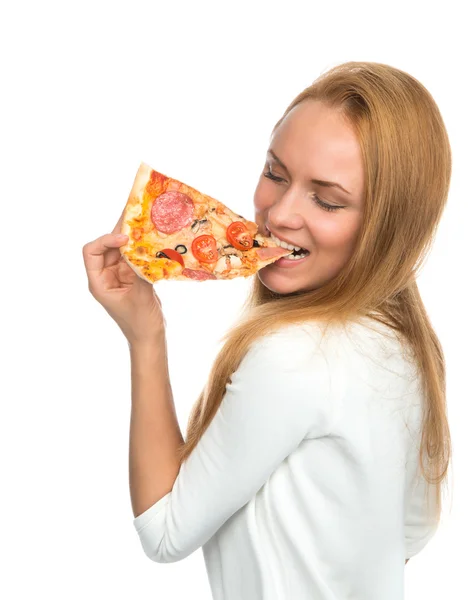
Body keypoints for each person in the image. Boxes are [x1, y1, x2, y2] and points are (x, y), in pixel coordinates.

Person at [83, 61, 452, 599]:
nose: (278, 213)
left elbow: (164, 532)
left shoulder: (292, 355)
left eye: (326, 199)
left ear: (387, 226)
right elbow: (412, 531)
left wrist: (146, 337)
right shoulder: (403, 344)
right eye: (276, 173)